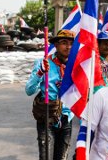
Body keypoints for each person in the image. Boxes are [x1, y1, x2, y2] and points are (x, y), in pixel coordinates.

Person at [25, 29, 75, 160]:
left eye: (71, 43)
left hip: (67, 118)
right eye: (64, 42)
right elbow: (29, 90)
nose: (68, 46)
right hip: (47, 117)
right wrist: (40, 72)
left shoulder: (76, 66)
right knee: (46, 157)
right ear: (56, 45)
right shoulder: (44, 63)